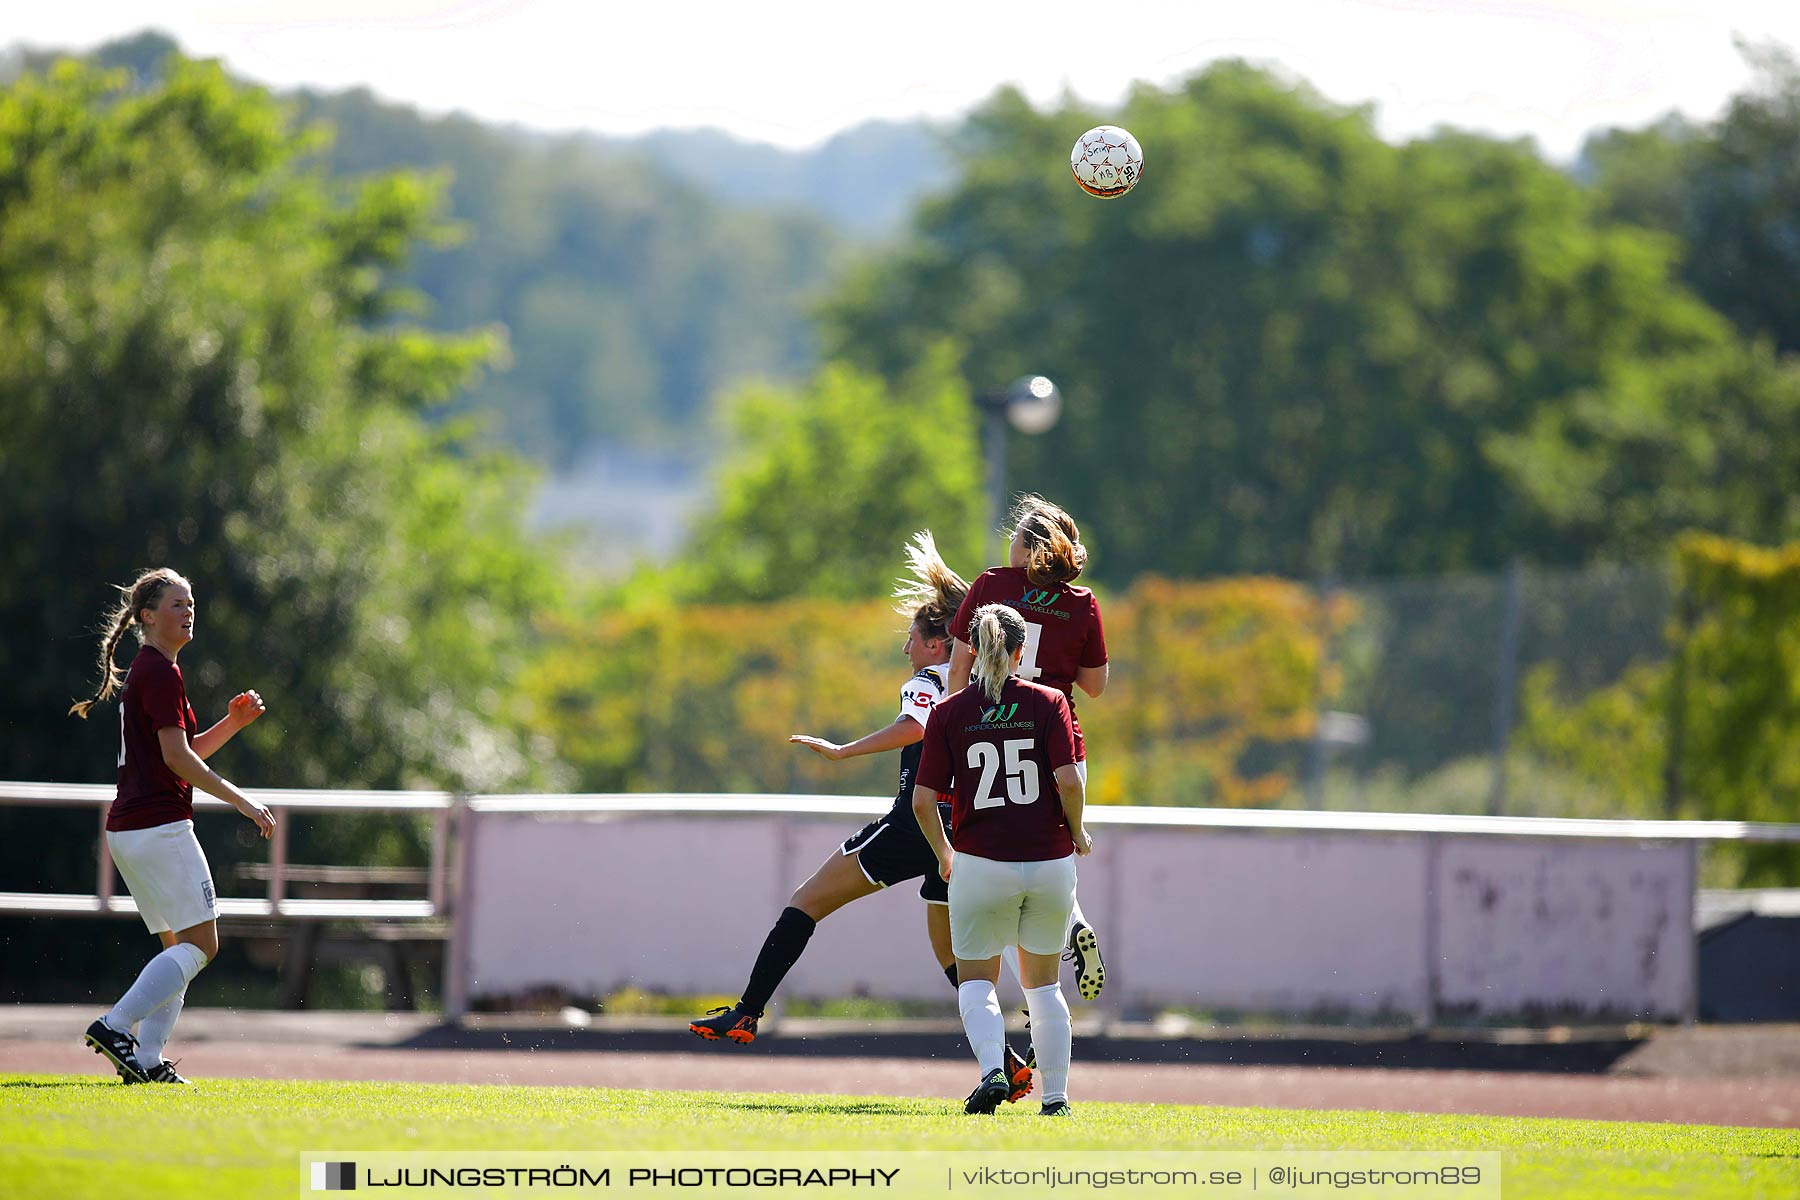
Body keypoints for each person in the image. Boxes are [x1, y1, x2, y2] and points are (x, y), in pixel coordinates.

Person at [688, 533, 1034, 1102]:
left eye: (910, 640)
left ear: (935, 643)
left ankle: (748, 1012)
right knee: (954, 956)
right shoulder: (991, 689)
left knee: (805, 902)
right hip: (970, 834)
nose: (905, 651)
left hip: (916, 827)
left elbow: (918, 725)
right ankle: (1011, 1062)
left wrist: (844, 750)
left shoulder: (928, 681)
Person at [69, 568, 276, 1084]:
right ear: (147, 616)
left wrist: (231, 724)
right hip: (159, 829)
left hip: (132, 832)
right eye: (176, 605)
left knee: (177, 949)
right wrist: (243, 802)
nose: (188, 612)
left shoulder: (154, 669)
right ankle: (116, 1026)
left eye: (191, 604)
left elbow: (180, 753)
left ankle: (144, 1059)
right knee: (203, 947)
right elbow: (178, 760)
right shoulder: (159, 672)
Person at [914, 602, 1092, 1117]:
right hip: (1048, 864)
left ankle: (994, 1070)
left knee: (976, 981)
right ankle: (1055, 1101)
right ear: (1020, 652)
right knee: (1044, 988)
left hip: (980, 864)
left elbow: (923, 801)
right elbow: (1069, 779)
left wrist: (945, 855)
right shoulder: (1048, 700)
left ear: (969, 652)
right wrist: (1077, 832)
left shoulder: (948, 713)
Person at [949, 495, 1108, 1004]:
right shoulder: (1082, 602)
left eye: (1015, 535)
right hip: (1057, 738)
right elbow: (1096, 685)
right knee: (1052, 858)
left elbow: (957, 670)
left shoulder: (992, 585)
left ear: (1027, 546)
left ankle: (1009, 1021)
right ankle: (1074, 926)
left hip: (989, 736)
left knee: (1000, 862)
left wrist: (951, 728)